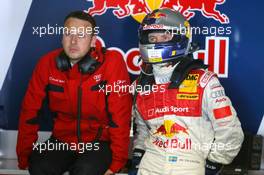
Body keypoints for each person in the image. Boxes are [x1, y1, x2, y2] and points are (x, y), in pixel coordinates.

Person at [129, 8, 244, 175]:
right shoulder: (141, 84)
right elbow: (141, 129)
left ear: (180, 37)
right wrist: (138, 155)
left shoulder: (204, 81)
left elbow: (229, 129)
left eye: (165, 36)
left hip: (191, 162)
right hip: (151, 162)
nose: (156, 42)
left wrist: (215, 162)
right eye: (152, 37)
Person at [16, 11, 132, 175]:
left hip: (98, 143)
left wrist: (117, 162)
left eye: (82, 35)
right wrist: (24, 156)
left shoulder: (112, 62)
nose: (74, 41)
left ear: (93, 41)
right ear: (62, 37)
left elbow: (120, 115)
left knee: (84, 171)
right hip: (61, 141)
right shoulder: (46, 63)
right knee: (39, 166)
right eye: (68, 33)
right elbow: (29, 112)